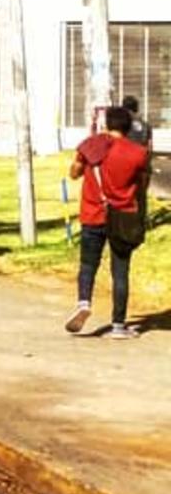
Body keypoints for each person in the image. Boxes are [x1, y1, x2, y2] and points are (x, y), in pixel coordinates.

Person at [68, 104, 148, 340]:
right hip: (122, 217)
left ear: (106, 124)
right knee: (120, 271)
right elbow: (141, 184)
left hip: (93, 214)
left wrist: (80, 164)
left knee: (88, 265)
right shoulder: (138, 153)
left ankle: (84, 303)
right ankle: (118, 325)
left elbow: (74, 173)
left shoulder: (91, 145)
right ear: (128, 127)